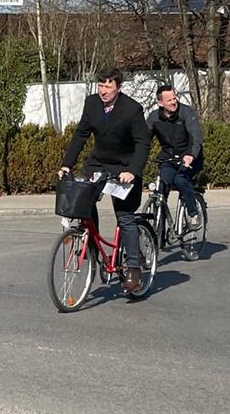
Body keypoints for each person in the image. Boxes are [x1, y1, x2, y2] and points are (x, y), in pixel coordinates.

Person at [59, 67, 150, 293]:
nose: (103, 91)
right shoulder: (92, 104)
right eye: (100, 86)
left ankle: (133, 269)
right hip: (98, 163)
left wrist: (133, 170)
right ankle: (91, 243)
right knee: (82, 201)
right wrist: (67, 164)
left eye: (108, 86)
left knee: (125, 217)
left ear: (118, 87)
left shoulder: (132, 109)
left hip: (124, 167)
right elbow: (81, 134)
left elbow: (142, 143)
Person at [146, 85, 204, 229]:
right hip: (169, 158)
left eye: (174, 98)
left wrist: (191, 155)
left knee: (180, 179)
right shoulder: (154, 117)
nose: (173, 102)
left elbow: (196, 137)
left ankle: (193, 213)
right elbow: (143, 139)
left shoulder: (186, 112)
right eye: (169, 100)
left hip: (190, 157)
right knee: (162, 186)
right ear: (160, 103)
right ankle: (159, 229)